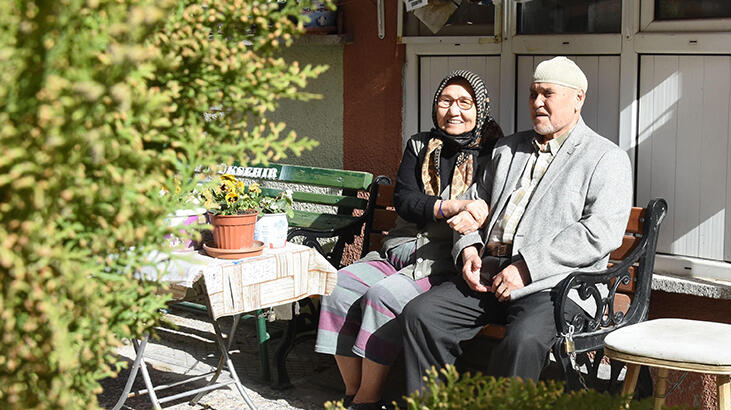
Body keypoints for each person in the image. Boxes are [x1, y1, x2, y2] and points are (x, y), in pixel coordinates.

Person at [400, 56, 634, 395]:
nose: (537, 103)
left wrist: (526, 267)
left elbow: (598, 232)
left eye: (547, 94)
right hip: (489, 273)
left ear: (578, 98)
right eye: (532, 94)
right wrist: (466, 250)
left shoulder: (605, 158)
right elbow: (471, 206)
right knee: (421, 316)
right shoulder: (508, 149)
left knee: (521, 341)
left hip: (555, 285)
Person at [314, 70, 503, 410]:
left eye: (465, 102)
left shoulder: (493, 156)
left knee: (383, 297)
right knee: (337, 287)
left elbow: (486, 210)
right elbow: (405, 200)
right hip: (396, 253)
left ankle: (367, 399)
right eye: (445, 101)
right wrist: (453, 205)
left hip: (442, 262)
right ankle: (353, 391)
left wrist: (462, 213)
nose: (454, 111)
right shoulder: (420, 145)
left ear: (480, 109)